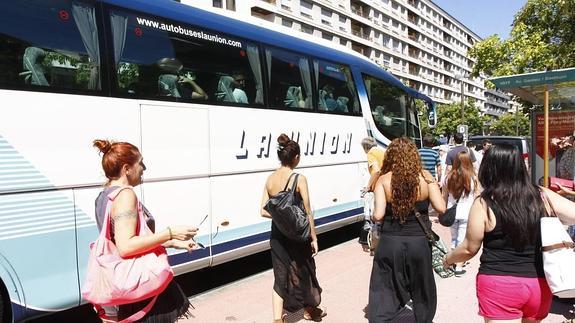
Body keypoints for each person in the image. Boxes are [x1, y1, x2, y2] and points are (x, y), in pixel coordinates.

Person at [443, 144, 575, 323]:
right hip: (538, 283)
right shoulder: (542, 195)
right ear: (521, 167)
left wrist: (449, 258)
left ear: (488, 169)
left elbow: (469, 248)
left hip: (498, 284)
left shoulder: (484, 203)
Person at [92, 139, 198, 323]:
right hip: (141, 287)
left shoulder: (104, 196)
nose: (144, 167)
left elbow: (124, 239)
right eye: (140, 162)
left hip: (127, 286)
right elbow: (126, 246)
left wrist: (172, 242)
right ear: (126, 168)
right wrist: (169, 232)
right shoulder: (125, 194)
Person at [369, 137, 446, 323]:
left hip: (390, 242)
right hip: (419, 242)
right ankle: (423, 318)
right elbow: (441, 208)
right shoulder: (425, 177)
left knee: (385, 284)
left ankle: (383, 318)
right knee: (422, 285)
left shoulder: (383, 180)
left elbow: (378, 215)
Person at [260, 134, 326, 323]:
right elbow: (307, 211)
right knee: (304, 271)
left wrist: (281, 217)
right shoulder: (299, 178)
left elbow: (262, 211)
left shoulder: (270, 179)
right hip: (298, 237)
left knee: (280, 276)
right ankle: (309, 309)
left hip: (278, 236)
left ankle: (277, 319)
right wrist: (314, 237)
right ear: (296, 157)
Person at [441, 150, 479, 276]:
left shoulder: (448, 178)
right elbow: (477, 196)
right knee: (462, 240)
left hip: (452, 212)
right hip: (467, 212)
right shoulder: (473, 178)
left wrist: (443, 210)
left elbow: (444, 196)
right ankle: (458, 266)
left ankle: (452, 260)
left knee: (454, 238)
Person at [359, 138, 386, 248]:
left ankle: (376, 243)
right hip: (386, 184)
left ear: (365, 147)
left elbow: (376, 171)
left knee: (376, 216)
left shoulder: (371, 153)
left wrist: (368, 187)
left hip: (378, 186)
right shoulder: (381, 151)